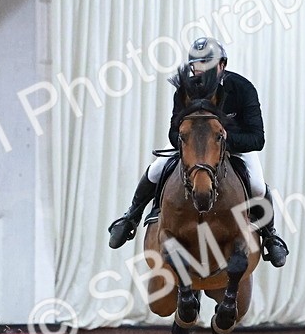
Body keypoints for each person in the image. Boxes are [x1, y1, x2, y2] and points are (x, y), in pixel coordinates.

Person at [107, 37, 289, 267]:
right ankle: (131, 217)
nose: (202, 72)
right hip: (194, 152)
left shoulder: (242, 89)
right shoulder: (186, 91)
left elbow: (257, 139)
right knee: (155, 170)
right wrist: (189, 141)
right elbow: (173, 134)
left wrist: (220, 142)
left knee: (257, 186)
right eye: (197, 66)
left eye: (208, 66)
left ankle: (270, 236)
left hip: (235, 149)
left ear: (222, 65)